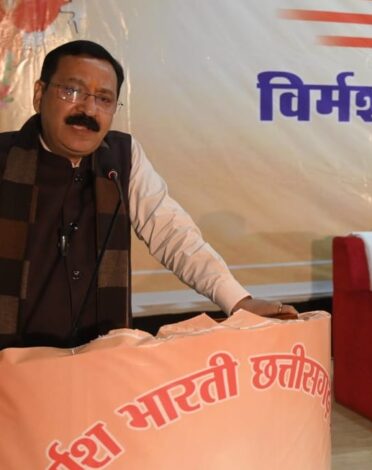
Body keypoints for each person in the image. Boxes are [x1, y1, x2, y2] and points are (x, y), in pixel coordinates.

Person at [0, 40, 297, 349]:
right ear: (39, 94)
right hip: (12, 359)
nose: (88, 109)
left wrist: (238, 302)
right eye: (72, 91)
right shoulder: (5, 160)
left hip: (102, 356)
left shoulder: (121, 158)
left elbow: (172, 232)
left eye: (104, 99)